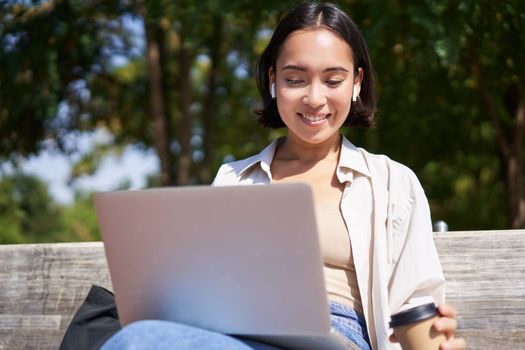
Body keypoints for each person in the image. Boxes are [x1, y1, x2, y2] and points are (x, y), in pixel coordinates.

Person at [101, 2, 466, 349]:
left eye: (332, 80)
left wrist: (434, 338)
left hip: (338, 337)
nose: (314, 98)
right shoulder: (233, 178)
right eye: (296, 79)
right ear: (274, 80)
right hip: (237, 337)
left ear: (357, 83)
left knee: (135, 343)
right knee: (140, 338)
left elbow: (414, 305)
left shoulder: (392, 182)